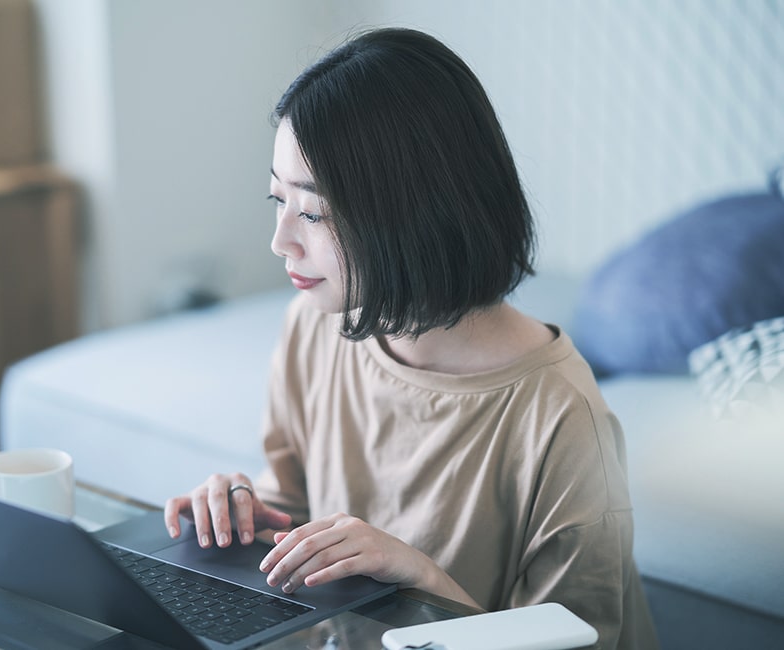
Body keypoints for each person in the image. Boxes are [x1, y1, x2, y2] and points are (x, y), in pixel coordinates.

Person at [165, 27, 658, 649]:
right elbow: (290, 499)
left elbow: (576, 642)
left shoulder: (562, 418)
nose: (281, 241)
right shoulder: (317, 322)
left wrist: (419, 577)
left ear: (413, 212)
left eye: (312, 212)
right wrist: (241, 514)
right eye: (277, 199)